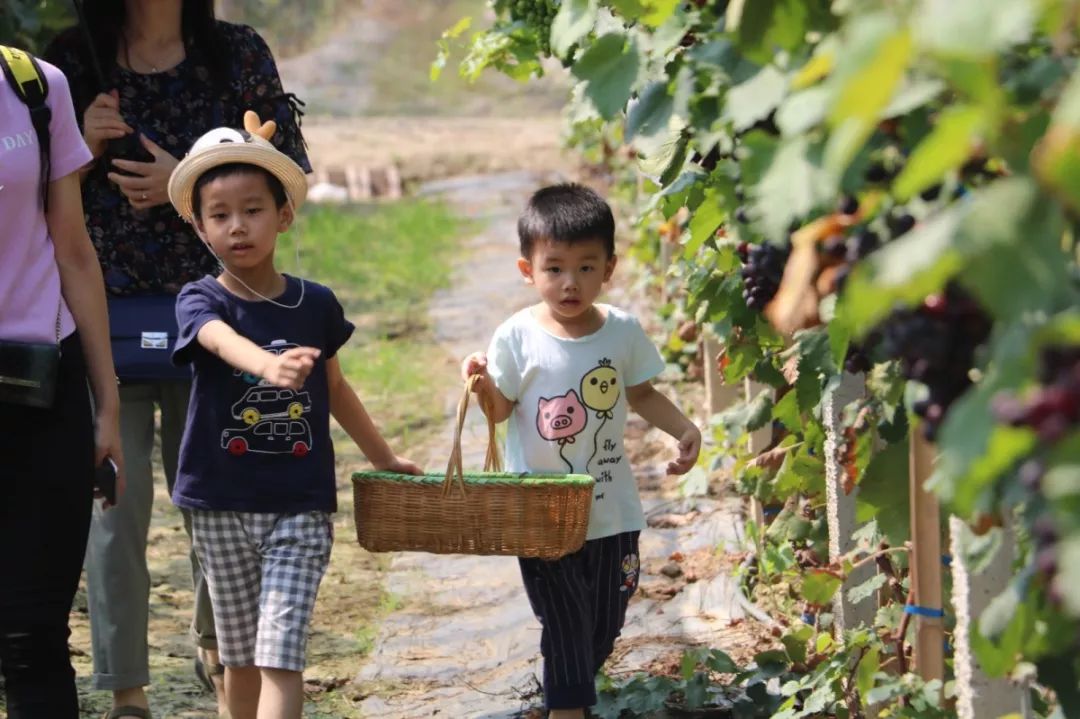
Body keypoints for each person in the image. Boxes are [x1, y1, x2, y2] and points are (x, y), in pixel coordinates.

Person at [44, 2, 310, 716]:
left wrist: (183, 176)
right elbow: (29, 195)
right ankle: (128, 693)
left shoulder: (237, 54)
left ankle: (225, 658)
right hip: (102, 325)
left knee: (222, 509)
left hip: (224, 324)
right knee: (112, 514)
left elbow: (289, 176)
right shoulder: (71, 60)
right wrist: (75, 141)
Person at [165, 116, 422, 719]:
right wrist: (267, 367)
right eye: (220, 215)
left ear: (283, 215)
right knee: (239, 655)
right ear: (200, 228)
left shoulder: (317, 304)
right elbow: (217, 340)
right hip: (218, 503)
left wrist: (383, 458)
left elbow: (335, 387)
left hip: (300, 504)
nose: (237, 226)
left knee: (282, 650)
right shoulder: (200, 298)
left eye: (252, 209)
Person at [462, 183, 702, 719]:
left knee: (606, 619)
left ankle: (563, 692)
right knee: (565, 623)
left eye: (586, 268)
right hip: (541, 513)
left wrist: (683, 428)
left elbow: (640, 392)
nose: (570, 283)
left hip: (612, 509)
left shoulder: (621, 332)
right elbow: (500, 411)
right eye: (555, 269)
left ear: (609, 268)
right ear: (529, 270)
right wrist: (481, 387)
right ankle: (567, 707)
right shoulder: (517, 336)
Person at [0, 46, 125, 717]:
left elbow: (73, 249)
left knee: (33, 636)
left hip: (41, 390)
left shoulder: (34, 87)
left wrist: (106, 402)